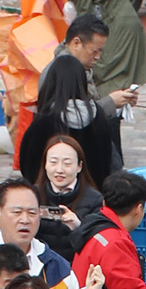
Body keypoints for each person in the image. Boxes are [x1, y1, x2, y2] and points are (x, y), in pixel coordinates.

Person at [18, 16, 126, 194]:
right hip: (93, 197)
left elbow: (28, 163)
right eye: (95, 51)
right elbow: (111, 162)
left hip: (49, 196)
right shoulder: (97, 117)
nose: (98, 57)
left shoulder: (44, 120)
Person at [44, 0, 146, 93]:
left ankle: (110, 103)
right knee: (110, 72)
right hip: (123, 18)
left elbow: (84, 23)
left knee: (105, 72)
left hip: (117, 25)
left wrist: (63, 49)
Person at [31, 133, 105, 262]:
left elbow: (99, 243)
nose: (59, 170)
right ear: (45, 164)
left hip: (76, 267)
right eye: (53, 162)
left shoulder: (95, 199)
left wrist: (77, 226)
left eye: (67, 163)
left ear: (79, 166)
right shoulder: (32, 195)